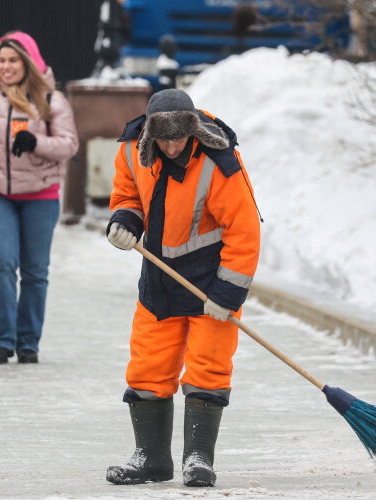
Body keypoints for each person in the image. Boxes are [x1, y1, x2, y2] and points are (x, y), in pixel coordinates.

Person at [105, 89, 261, 487]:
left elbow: (244, 231)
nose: (173, 146)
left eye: (180, 138)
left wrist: (227, 295)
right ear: (149, 135)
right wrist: (125, 222)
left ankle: (198, 458)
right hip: (160, 276)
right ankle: (151, 458)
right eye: (164, 139)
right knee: (147, 367)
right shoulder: (130, 150)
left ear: (193, 130)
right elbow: (127, 195)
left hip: (211, 279)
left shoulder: (219, 163)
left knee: (208, 366)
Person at [0, 31, 78, 364]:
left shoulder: (52, 99)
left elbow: (69, 145)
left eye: (13, 60)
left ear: (28, 63)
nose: (6, 66)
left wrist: (35, 143)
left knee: (35, 271)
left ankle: (28, 343)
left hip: (41, 195)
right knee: (1, 264)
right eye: (1, 60)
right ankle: (2, 340)